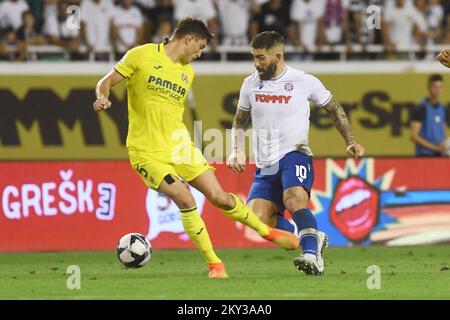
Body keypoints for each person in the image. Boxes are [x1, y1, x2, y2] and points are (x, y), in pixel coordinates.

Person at [93, 17, 299, 279]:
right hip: (147, 152)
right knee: (186, 199)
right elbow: (107, 81)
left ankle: (266, 232)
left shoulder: (187, 73)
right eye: (200, 47)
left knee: (220, 197)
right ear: (188, 39)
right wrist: (102, 96)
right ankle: (215, 265)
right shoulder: (140, 55)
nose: (199, 54)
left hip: (180, 146)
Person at [227, 31, 365, 275]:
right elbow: (240, 121)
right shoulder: (249, 83)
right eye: (254, 58)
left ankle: (311, 256)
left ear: (277, 56)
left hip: (295, 153)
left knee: (293, 198)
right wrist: (235, 150)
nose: (256, 63)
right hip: (265, 163)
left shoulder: (304, 81)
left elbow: (334, 109)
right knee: (256, 219)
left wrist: (351, 141)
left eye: (260, 58)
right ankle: (313, 237)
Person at [410, 74, 448, 156]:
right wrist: (435, 147)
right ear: (428, 88)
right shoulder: (421, 108)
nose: (438, 90)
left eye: (440, 87)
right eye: (435, 87)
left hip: (439, 155)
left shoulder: (443, 108)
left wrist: (445, 146)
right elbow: (414, 136)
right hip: (424, 156)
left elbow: (443, 133)